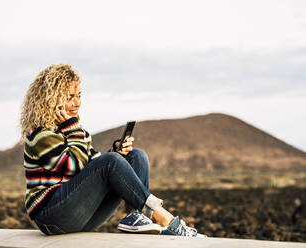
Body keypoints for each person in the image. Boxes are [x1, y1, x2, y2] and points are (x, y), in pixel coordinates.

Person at [19, 64, 206, 237]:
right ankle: (167, 220)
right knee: (111, 161)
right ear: (51, 100)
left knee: (136, 156)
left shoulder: (72, 130)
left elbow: (93, 164)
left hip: (80, 215)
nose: (77, 103)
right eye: (69, 97)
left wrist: (117, 152)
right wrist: (74, 129)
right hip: (52, 218)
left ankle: (137, 218)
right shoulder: (41, 134)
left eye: (79, 95)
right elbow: (73, 166)